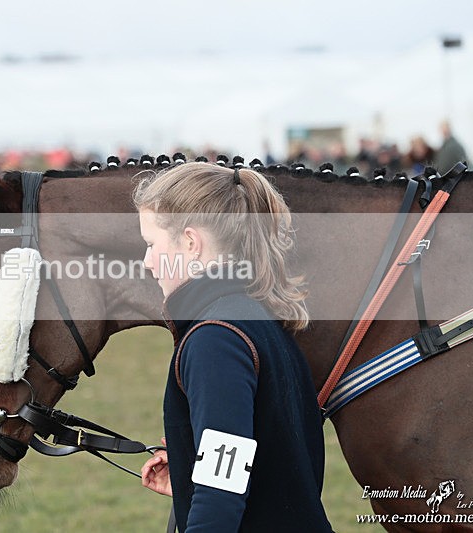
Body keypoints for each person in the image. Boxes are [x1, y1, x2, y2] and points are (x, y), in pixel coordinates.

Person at [135, 162, 332, 531]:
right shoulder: (258, 318)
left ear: (191, 244)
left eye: (151, 244)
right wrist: (190, 475)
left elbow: (221, 493)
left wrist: (206, 493)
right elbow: (272, 464)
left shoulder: (216, 339)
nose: (147, 262)